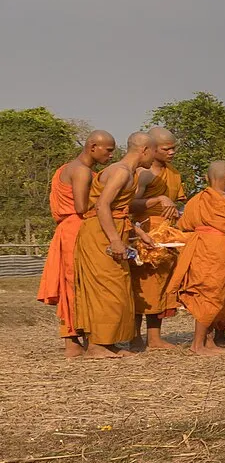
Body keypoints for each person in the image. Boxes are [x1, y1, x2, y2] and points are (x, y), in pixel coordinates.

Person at [72, 131, 156, 359]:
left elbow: (120, 211)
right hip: (100, 235)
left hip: (114, 231)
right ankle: (95, 346)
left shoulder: (131, 173)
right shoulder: (120, 172)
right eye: (153, 153)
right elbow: (102, 206)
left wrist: (138, 232)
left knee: (117, 288)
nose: (153, 159)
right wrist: (115, 240)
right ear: (144, 150)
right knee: (105, 289)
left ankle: (107, 343)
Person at [168, 161, 225, 354]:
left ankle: (208, 341)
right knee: (211, 294)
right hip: (217, 248)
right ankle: (197, 344)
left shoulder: (196, 199)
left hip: (198, 247)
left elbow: (184, 224)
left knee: (205, 292)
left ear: (208, 178)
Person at [39, 130, 114, 358]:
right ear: (92, 147)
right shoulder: (81, 172)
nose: (111, 155)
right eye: (108, 150)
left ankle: (78, 339)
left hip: (70, 229)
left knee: (76, 285)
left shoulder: (68, 168)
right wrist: (111, 210)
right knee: (76, 285)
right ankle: (75, 340)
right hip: (76, 229)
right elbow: (82, 207)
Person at [130, 127, 185, 350]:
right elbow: (129, 205)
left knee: (161, 286)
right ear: (152, 148)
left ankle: (154, 338)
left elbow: (176, 203)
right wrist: (159, 200)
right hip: (144, 232)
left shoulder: (173, 173)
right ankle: (135, 337)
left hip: (167, 233)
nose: (172, 152)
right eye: (166, 148)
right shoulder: (142, 172)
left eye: (174, 148)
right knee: (141, 287)